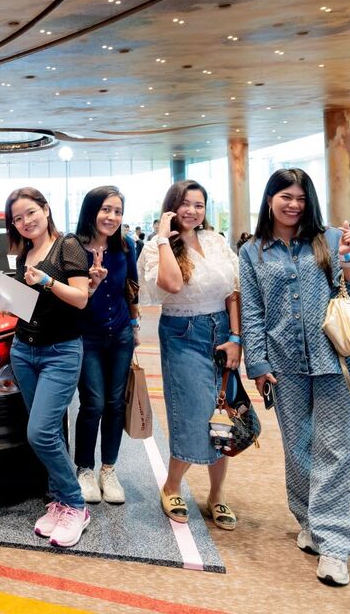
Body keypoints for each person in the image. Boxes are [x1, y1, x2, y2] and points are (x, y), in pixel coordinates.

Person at [239, 168, 350, 587]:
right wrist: (258, 364)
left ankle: (335, 544)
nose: (294, 205)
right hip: (284, 363)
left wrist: (348, 260)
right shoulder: (253, 251)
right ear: (270, 199)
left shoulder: (331, 238)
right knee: (297, 447)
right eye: (285, 196)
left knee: (337, 448)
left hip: (339, 361)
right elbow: (252, 310)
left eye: (301, 197)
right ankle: (310, 520)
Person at [0, 187, 90, 548]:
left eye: (30, 212)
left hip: (61, 352)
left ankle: (75, 505)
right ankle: (59, 501)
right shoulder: (25, 254)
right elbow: (27, 307)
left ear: (45, 209)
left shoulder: (67, 245)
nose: (25, 221)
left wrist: (46, 280)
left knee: (40, 433)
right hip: (24, 351)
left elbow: (81, 298)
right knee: (49, 432)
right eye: (17, 218)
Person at [142, 180, 241, 532]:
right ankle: (172, 486)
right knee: (192, 414)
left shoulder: (216, 241)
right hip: (183, 333)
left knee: (223, 413)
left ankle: (216, 494)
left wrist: (236, 337)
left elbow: (233, 291)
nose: (192, 211)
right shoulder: (156, 247)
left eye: (199, 205)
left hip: (221, 331)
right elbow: (171, 284)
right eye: (185, 204)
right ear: (171, 207)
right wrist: (163, 237)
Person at [72, 186, 140, 506]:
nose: (112, 217)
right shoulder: (73, 247)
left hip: (121, 335)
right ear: (92, 211)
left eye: (117, 211)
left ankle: (108, 470)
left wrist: (135, 325)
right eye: (106, 210)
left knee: (115, 403)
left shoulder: (125, 245)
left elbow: (131, 286)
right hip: (87, 337)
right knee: (94, 403)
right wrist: (91, 281)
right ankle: (84, 469)